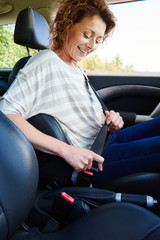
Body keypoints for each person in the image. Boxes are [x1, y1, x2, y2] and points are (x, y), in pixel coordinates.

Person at [0, 0, 160, 188]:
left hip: (107, 139)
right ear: (67, 25)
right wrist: (66, 150)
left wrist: (108, 120)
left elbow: (77, 117)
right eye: (87, 35)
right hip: (95, 160)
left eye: (98, 40)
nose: (92, 45)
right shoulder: (45, 63)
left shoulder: (75, 68)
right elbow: (6, 114)